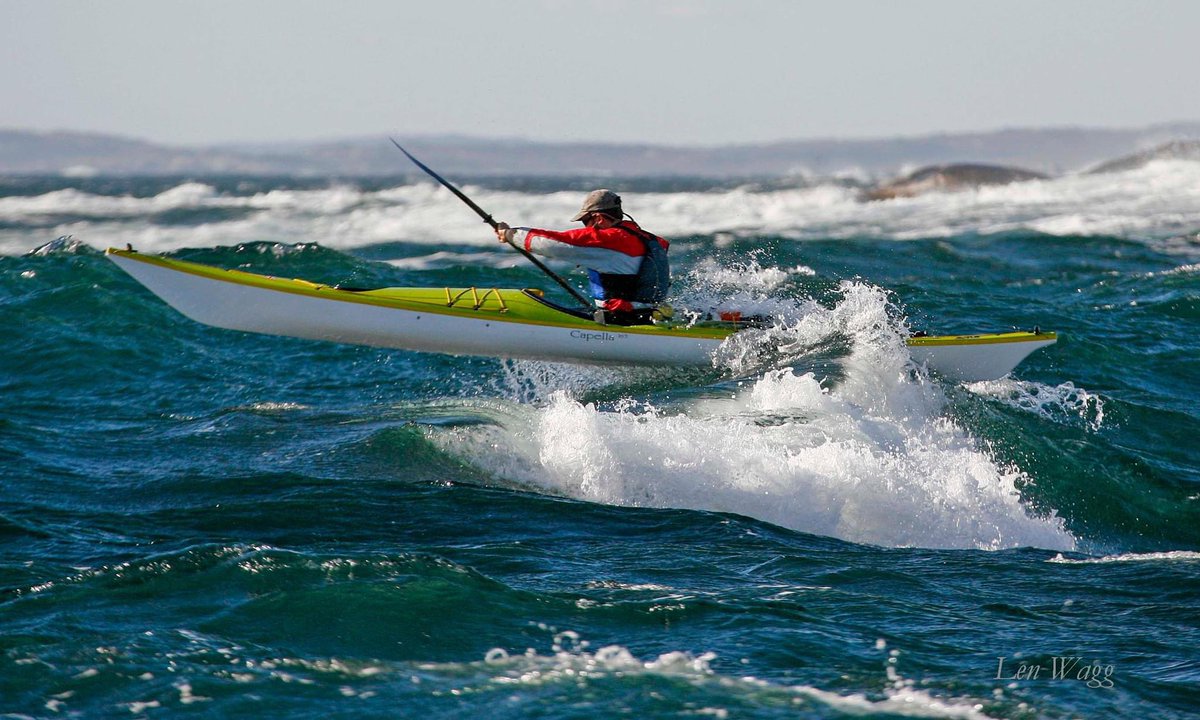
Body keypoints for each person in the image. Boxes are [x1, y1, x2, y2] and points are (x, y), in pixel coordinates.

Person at [494, 189, 670, 325]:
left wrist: (510, 234)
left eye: (586, 221)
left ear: (599, 218)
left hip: (620, 319)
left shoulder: (610, 239)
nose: (586, 227)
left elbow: (554, 243)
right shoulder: (647, 239)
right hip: (647, 316)